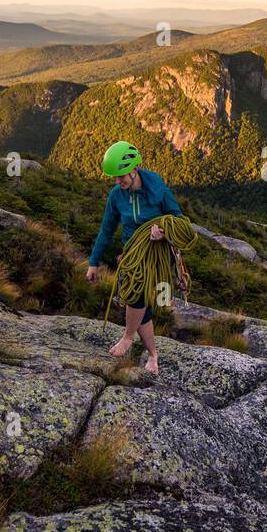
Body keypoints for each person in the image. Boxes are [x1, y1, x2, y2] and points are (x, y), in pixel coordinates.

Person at [85, 140, 184, 374]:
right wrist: (93, 263)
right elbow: (106, 230)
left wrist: (163, 228)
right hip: (131, 254)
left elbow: (178, 218)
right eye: (114, 178)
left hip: (157, 254)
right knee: (137, 303)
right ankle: (153, 355)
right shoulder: (116, 197)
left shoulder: (158, 189)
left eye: (121, 176)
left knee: (135, 298)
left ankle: (128, 337)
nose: (117, 182)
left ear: (134, 168)